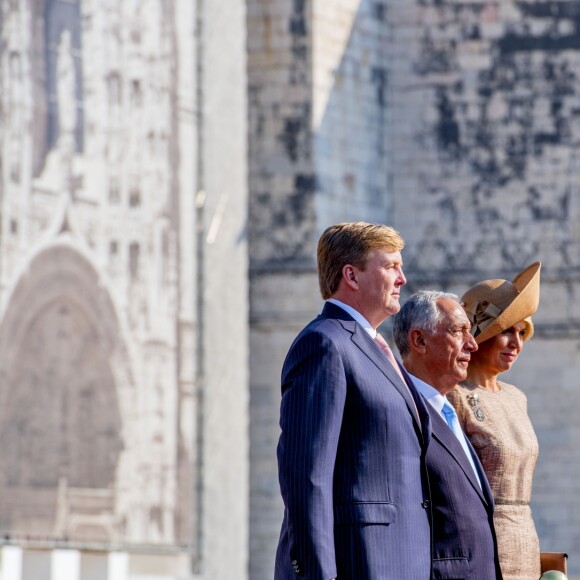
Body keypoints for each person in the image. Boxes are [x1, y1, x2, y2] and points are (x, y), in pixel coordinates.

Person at [275, 222, 431, 579]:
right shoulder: (325, 343)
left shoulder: (377, 348)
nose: (402, 278)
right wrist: (318, 573)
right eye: (391, 266)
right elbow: (306, 474)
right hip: (359, 563)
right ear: (352, 276)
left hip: (401, 561)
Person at [393, 291, 502, 579]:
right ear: (419, 341)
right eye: (458, 331)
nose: (473, 344)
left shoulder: (447, 410)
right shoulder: (400, 410)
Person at [447, 262, 542, 580]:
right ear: (477, 334)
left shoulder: (517, 397)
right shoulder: (453, 396)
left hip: (525, 542)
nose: (516, 343)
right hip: (479, 546)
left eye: (521, 332)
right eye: (506, 331)